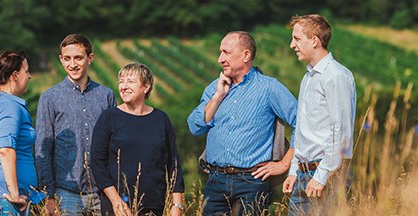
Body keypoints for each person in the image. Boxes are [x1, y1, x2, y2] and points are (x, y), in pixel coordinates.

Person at [188, 31, 298, 216]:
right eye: (220, 53)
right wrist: (217, 97)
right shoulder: (214, 87)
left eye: (226, 52)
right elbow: (195, 127)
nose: (220, 59)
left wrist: (286, 163)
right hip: (215, 180)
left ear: (246, 55)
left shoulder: (269, 88)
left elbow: (302, 123)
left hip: (252, 182)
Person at [282, 15, 356, 215]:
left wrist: (321, 176)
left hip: (328, 175)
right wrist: (293, 171)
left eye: (297, 39)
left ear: (314, 40)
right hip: (304, 174)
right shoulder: (308, 77)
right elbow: (303, 129)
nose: (292, 45)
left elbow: (340, 132)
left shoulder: (336, 76)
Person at [36, 34, 116, 216]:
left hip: (102, 190)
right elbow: (43, 148)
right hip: (66, 192)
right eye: (67, 59)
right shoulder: (49, 98)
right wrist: (48, 195)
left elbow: (113, 146)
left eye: (78, 58)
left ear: (90, 58)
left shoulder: (106, 95)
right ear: (61, 60)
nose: (72, 64)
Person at [91, 62, 185, 216]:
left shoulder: (161, 119)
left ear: (146, 87)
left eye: (131, 81)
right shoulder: (108, 118)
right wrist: (116, 201)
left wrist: (177, 205)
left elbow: (173, 163)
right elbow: (97, 162)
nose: (124, 86)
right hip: (118, 207)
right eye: (121, 81)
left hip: (154, 206)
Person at [0, 50, 43, 216]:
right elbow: (5, 149)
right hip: (8, 202)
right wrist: (12, 193)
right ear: (15, 75)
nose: (29, 76)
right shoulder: (10, 107)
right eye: (26, 71)